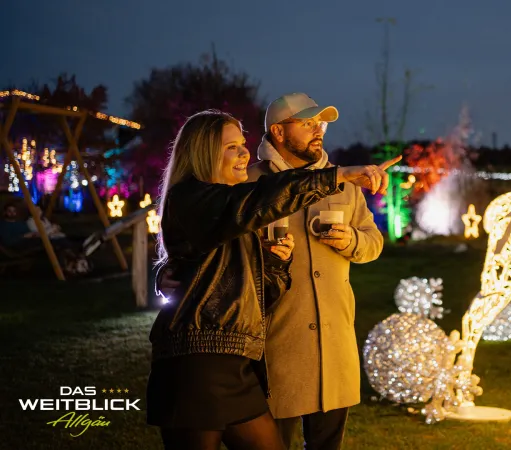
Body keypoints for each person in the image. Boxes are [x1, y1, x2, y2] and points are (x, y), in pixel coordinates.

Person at [147, 109, 396, 450]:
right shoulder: (210, 196)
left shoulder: (232, 197)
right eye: (232, 146)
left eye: (242, 144)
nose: (244, 152)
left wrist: (277, 263)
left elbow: (253, 284)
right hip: (198, 359)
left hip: (235, 362)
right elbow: (259, 201)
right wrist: (336, 176)